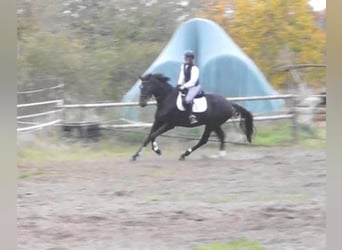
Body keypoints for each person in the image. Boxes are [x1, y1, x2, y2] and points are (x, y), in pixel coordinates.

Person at [177, 50, 201, 124]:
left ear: (191, 59)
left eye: (188, 58)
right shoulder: (183, 66)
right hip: (186, 87)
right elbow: (182, 76)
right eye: (185, 57)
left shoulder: (195, 68)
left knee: (186, 100)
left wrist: (184, 86)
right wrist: (179, 84)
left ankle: (191, 116)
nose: (186, 59)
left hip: (194, 87)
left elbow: (193, 81)